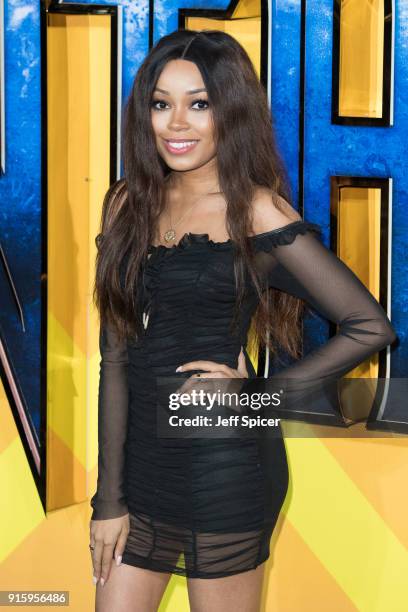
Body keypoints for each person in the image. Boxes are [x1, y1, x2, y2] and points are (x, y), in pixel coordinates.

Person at [88, 29, 397, 612]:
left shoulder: (255, 209)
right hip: (142, 470)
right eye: (161, 103)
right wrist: (108, 500)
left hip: (225, 466)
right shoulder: (126, 202)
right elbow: (117, 360)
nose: (176, 123)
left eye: (198, 103)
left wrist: (259, 398)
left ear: (229, 111)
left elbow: (369, 325)